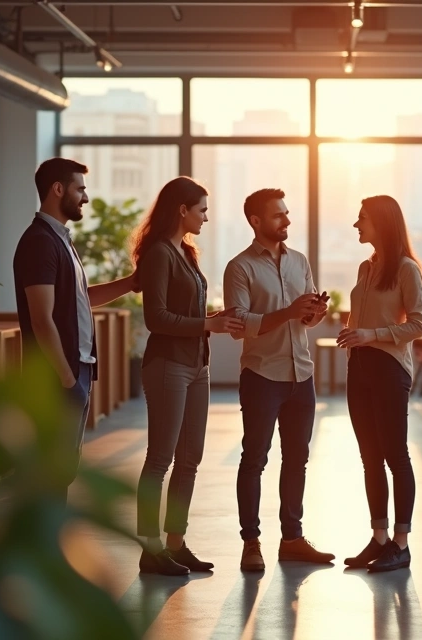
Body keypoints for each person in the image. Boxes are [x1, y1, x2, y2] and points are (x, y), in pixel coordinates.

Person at [133, 177, 244, 577]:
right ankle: (150, 547)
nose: (207, 217)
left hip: (197, 366)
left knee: (190, 459)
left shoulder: (186, 252)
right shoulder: (160, 253)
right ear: (182, 209)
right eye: (201, 210)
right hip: (168, 365)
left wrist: (212, 324)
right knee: (161, 457)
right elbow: (156, 318)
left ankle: (175, 544)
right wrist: (208, 325)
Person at [12, 158, 140, 502]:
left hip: (75, 369)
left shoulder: (60, 241)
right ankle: (45, 549)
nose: (85, 197)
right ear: (58, 189)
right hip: (58, 375)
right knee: (52, 471)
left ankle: (52, 547)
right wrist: (67, 379)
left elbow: (80, 298)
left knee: (63, 469)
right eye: (80, 188)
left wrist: (129, 283)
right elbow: (42, 318)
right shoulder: (40, 242)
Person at [223, 188, 334, 572]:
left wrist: (313, 313)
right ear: (256, 221)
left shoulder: (299, 260)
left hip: (300, 373)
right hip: (261, 375)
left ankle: (292, 539)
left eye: (287, 214)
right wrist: (288, 312)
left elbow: (303, 319)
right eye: (278, 216)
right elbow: (238, 327)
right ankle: (250, 542)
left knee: (297, 459)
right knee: (254, 458)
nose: (286, 221)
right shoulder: (239, 268)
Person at [338, 195, 422, 573]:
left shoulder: (406, 269)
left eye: (362, 219)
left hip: (390, 369)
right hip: (359, 369)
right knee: (369, 458)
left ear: (382, 223)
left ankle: (401, 544)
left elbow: (418, 325)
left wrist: (369, 334)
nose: (357, 225)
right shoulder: (365, 268)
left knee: (395, 455)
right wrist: (352, 336)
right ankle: (379, 539)